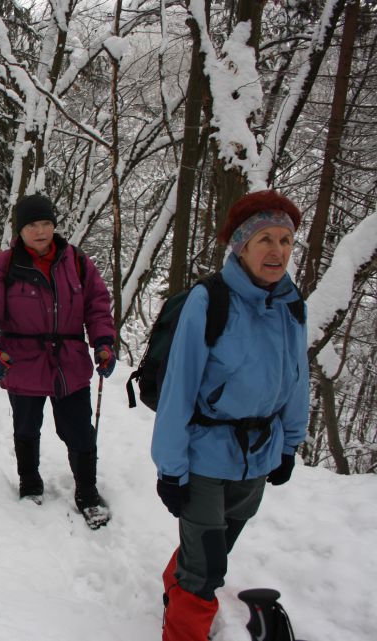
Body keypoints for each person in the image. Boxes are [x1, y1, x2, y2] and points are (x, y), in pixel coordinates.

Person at [151, 190, 309, 641]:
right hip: (204, 455)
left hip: (258, 456)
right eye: (265, 240)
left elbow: (297, 379)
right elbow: (179, 389)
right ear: (242, 245)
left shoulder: (291, 304)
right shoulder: (209, 301)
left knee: (212, 547)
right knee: (206, 571)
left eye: (285, 240)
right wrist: (171, 467)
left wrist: (289, 445)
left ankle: (174, 592)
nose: (278, 251)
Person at [0, 194, 116, 527]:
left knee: (79, 430)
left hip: (69, 362)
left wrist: (104, 342)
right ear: (19, 231)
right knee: (26, 427)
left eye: (46, 223)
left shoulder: (76, 262)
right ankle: (30, 481)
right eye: (32, 225)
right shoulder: (4, 266)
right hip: (22, 361)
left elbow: (97, 306)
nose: (41, 231)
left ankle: (87, 492)